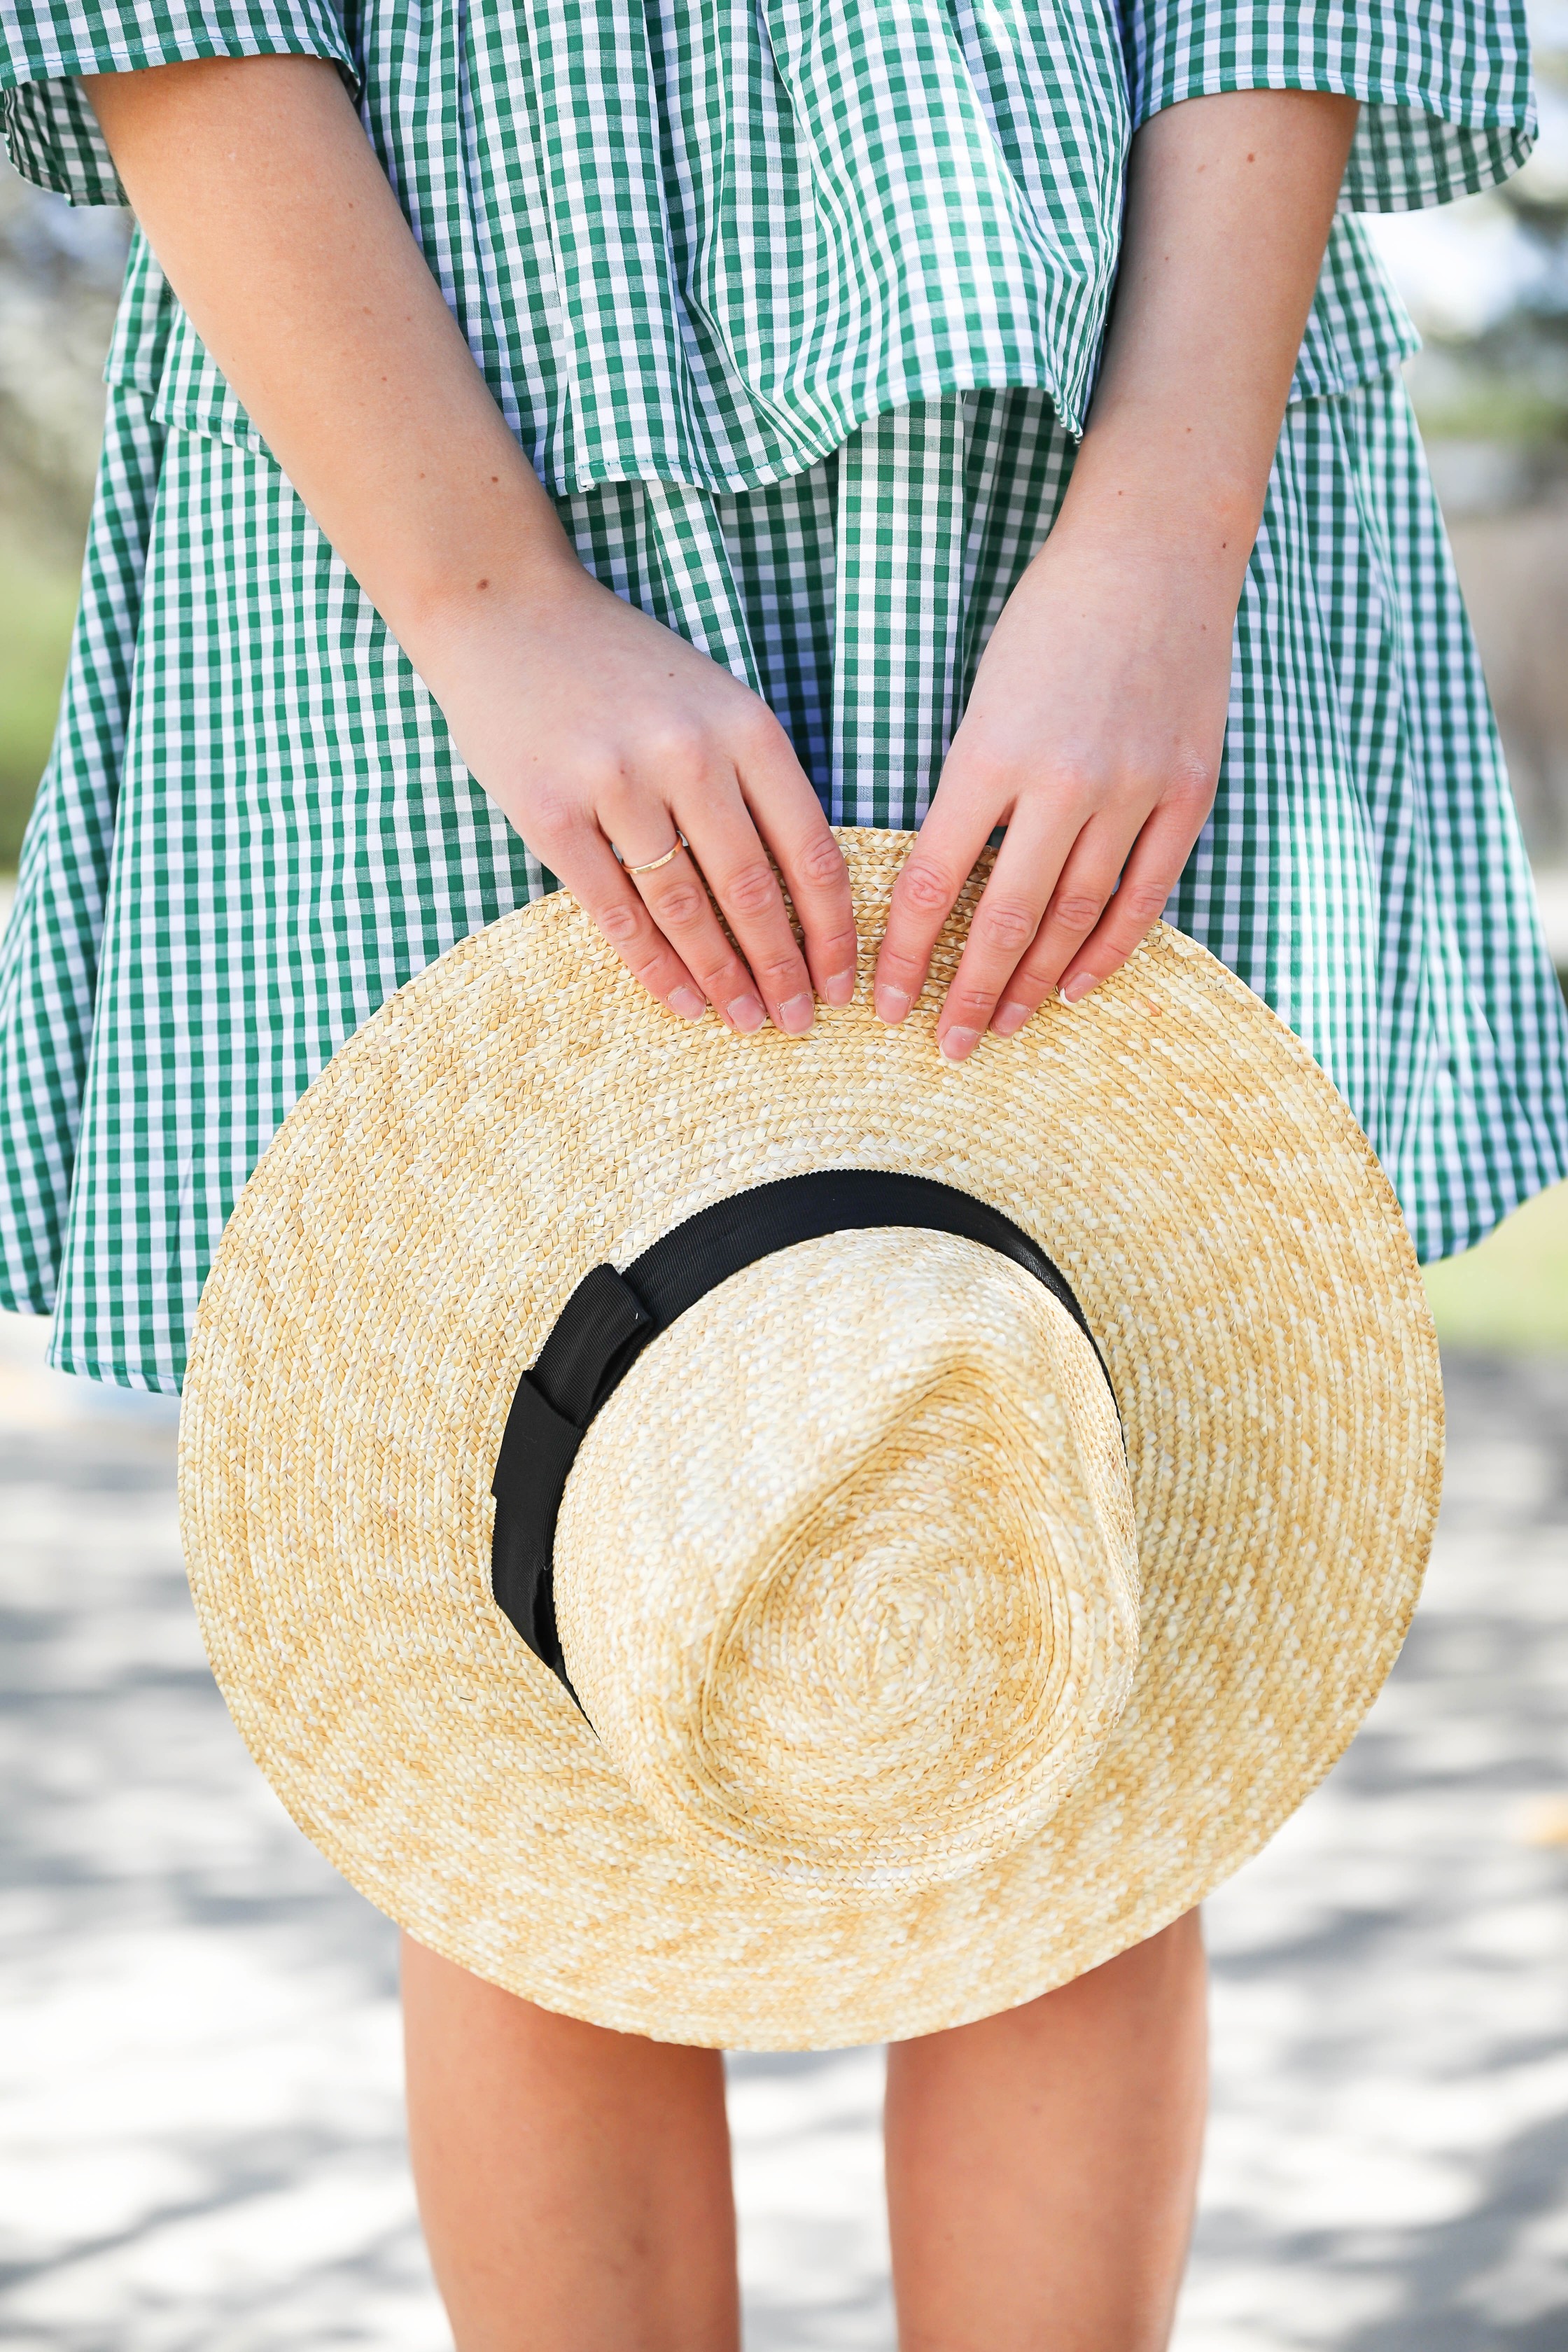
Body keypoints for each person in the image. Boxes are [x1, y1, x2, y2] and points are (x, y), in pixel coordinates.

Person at [1, 0, 1564, 2342]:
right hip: (429, 424)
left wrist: (1157, 544)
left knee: (1062, 1641)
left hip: (1089, 384)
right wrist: (490, 606)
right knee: (535, 1638)